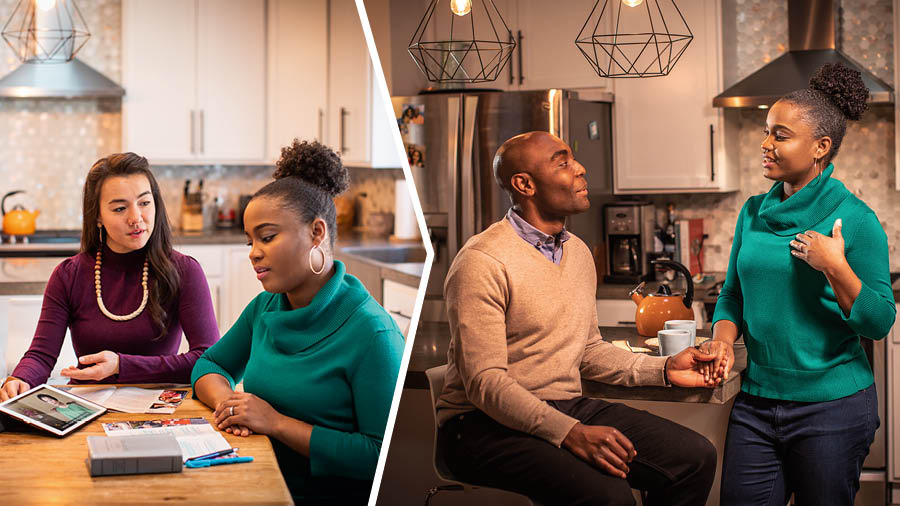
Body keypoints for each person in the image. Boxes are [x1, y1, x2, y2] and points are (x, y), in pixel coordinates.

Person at [437, 131, 720, 506]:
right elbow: (486, 385)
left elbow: (587, 350)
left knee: (694, 458)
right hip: (479, 427)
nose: (581, 169)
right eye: (564, 162)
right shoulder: (482, 261)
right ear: (525, 184)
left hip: (564, 405)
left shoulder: (578, 252)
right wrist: (570, 432)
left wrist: (665, 369)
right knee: (609, 497)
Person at [704, 63, 896, 505]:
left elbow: (880, 322)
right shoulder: (752, 212)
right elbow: (732, 294)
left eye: (780, 135)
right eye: (767, 131)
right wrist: (721, 340)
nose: (765, 144)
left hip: (833, 409)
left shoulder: (857, 221)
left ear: (820, 147)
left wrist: (835, 266)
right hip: (755, 402)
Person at [191, 139, 404, 505]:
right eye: (250, 242)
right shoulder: (266, 308)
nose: (255, 253)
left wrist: (274, 422)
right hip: (261, 480)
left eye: (268, 237)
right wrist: (229, 403)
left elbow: (380, 455)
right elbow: (209, 364)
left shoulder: (372, 333)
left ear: (316, 233)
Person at [0, 153, 220, 401]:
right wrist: (20, 379)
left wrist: (121, 366)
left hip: (160, 404)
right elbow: (41, 355)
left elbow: (207, 359)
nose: (136, 217)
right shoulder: (68, 275)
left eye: (144, 203)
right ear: (97, 217)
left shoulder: (184, 270)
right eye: (119, 208)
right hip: (86, 404)